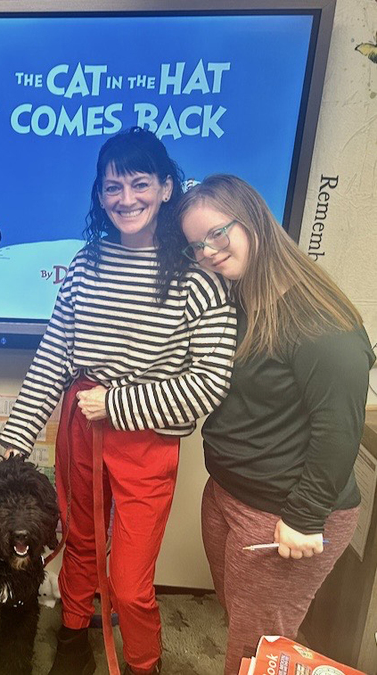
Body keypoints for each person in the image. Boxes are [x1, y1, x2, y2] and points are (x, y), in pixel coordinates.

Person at [0, 127, 238, 675]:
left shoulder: (202, 279)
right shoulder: (87, 263)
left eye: (139, 183)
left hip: (146, 442)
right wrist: (15, 439)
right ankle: (73, 641)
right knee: (79, 545)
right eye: (112, 187)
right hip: (82, 425)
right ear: (99, 195)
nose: (125, 198)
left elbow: (206, 387)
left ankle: (143, 663)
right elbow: (55, 354)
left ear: (167, 187)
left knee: (129, 580)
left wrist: (118, 403)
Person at [178, 174, 375, 674]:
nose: (209, 252)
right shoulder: (239, 299)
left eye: (217, 234)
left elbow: (338, 432)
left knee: (256, 647)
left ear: (253, 220)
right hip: (229, 494)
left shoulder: (321, 324)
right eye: (196, 246)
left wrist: (305, 517)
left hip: (284, 512)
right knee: (243, 620)